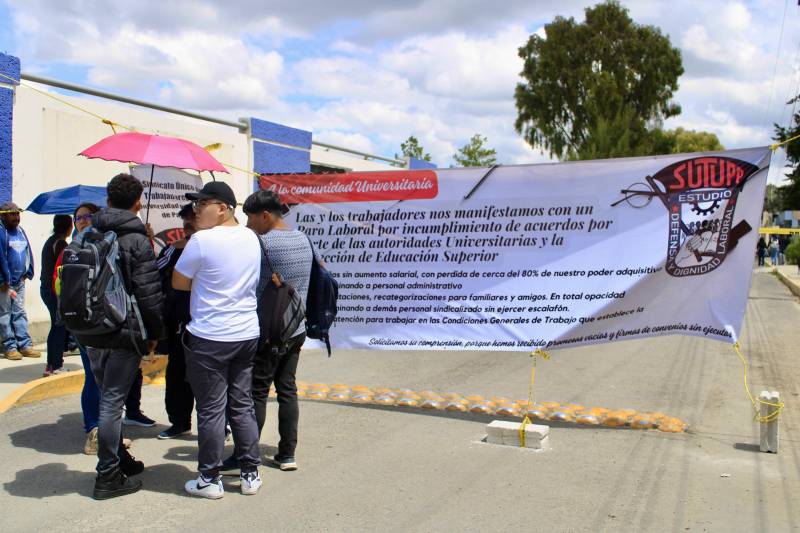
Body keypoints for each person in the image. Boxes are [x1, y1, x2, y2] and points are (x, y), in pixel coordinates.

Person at [74, 174, 164, 500]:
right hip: (123, 331)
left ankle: (120, 459)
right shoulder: (137, 240)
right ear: (138, 202)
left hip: (88, 330)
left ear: (108, 199)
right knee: (113, 403)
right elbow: (149, 293)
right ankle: (107, 476)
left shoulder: (87, 233)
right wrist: (155, 335)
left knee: (107, 398)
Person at [173, 181, 262, 499]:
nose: (196, 210)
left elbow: (180, 282)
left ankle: (210, 479)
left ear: (223, 207)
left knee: (211, 409)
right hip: (246, 332)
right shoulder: (251, 236)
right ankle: (250, 473)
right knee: (241, 405)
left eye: (202, 204)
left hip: (210, 335)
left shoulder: (202, 241)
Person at [235, 189, 315, 473]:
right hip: (296, 326)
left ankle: (247, 456)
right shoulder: (303, 238)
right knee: (287, 390)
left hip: (268, 328)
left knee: (256, 391)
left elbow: (250, 285)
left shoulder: (261, 243)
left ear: (265, 215)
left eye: (251, 218)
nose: (248, 224)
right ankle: (287, 454)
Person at [156, 202, 196, 439]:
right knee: (177, 373)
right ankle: (180, 421)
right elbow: (154, 271)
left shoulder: (217, 248)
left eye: (193, 218)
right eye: (185, 220)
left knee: (210, 379)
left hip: (210, 323)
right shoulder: (174, 249)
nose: (188, 223)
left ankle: (220, 426)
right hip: (179, 322)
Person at [0, 202, 40, 361]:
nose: (16, 217)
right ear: (3, 215)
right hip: (4, 284)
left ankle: (24, 345)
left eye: (18, 214)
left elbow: (27, 252)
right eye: (12, 214)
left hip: (19, 282)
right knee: (4, 314)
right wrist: (2, 279)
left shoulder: (20, 231)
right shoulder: (1, 232)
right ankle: (10, 347)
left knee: (19, 312)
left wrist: (28, 272)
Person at [40, 214, 73, 376]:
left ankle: (51, 364)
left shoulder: (50, 241)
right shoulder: (61, 244)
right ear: (69, 227)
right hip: (55, 291)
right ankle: (56, 364)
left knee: (56, 325)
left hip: (46, 289)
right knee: (59, 327)